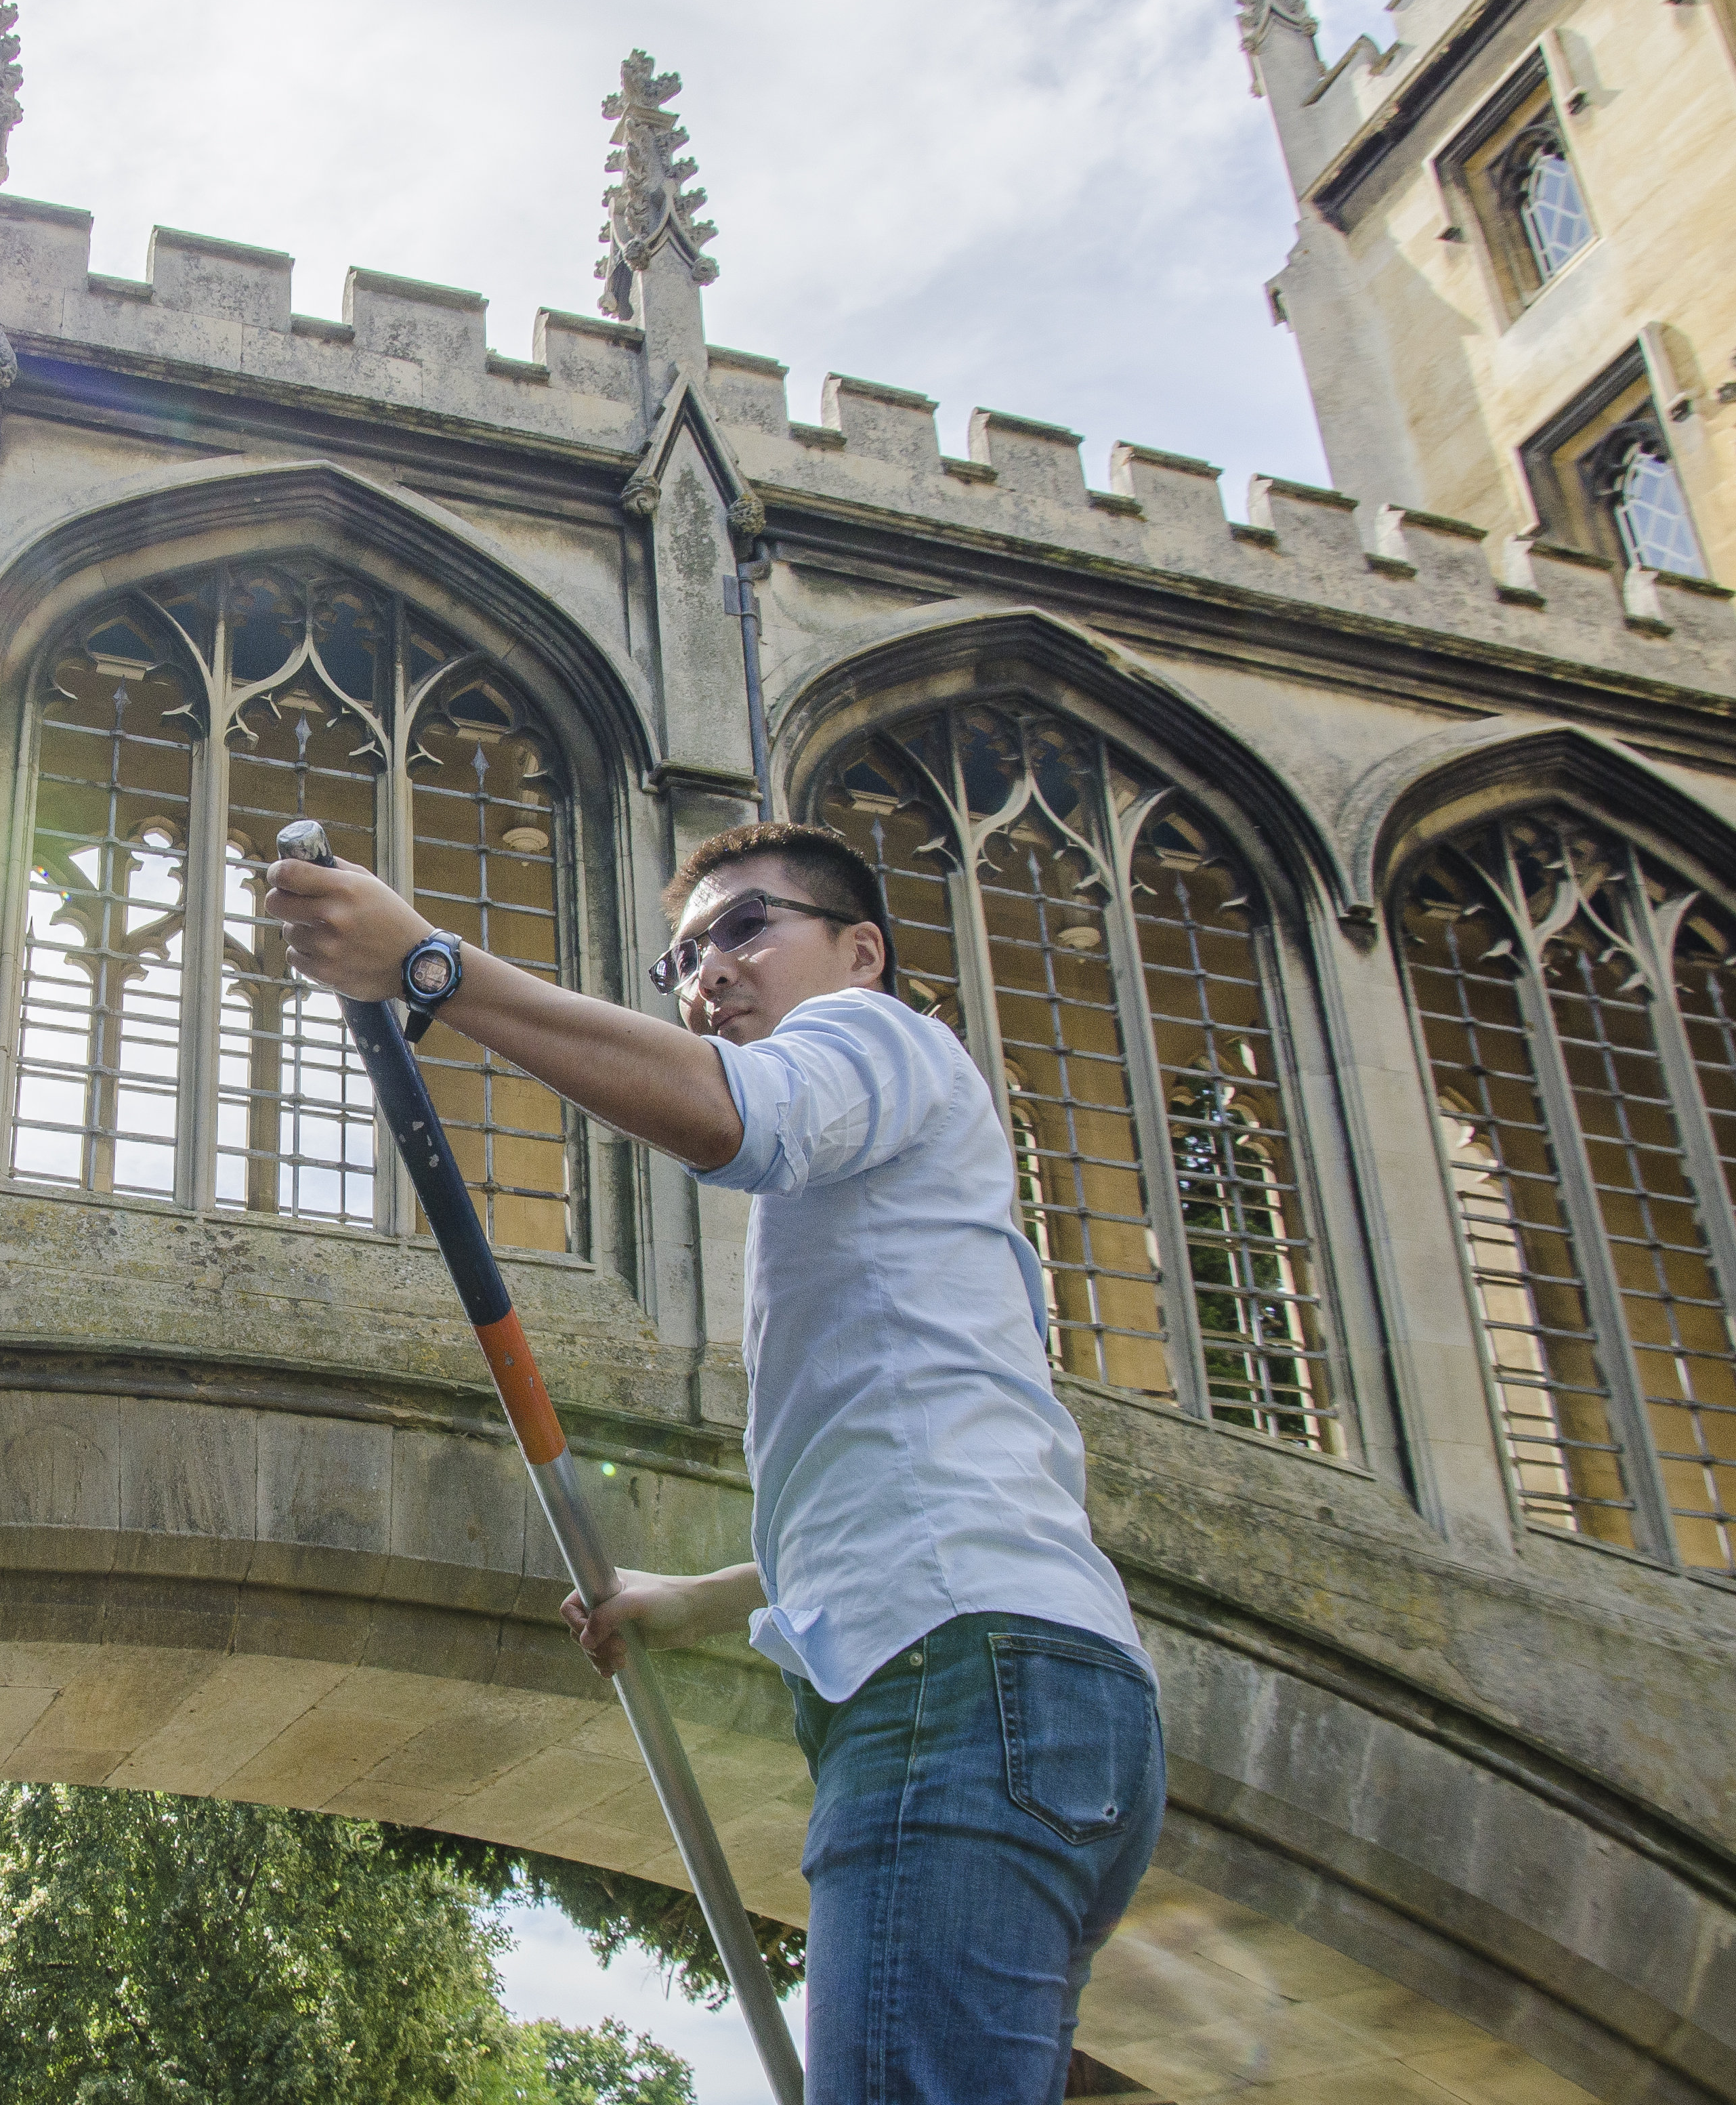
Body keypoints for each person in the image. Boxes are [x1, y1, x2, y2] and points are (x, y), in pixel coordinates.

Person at [263, 820, 1162, 2105]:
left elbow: (735, 1115)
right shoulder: (901, 1203)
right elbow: (924, 1484)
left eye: (748, 928)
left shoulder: (876, 1035)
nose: (710, 973)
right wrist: (695, 1602)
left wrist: (432, 971)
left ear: (862, 951)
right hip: (1044, 1691)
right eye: (683, 955)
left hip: (958, 1692)